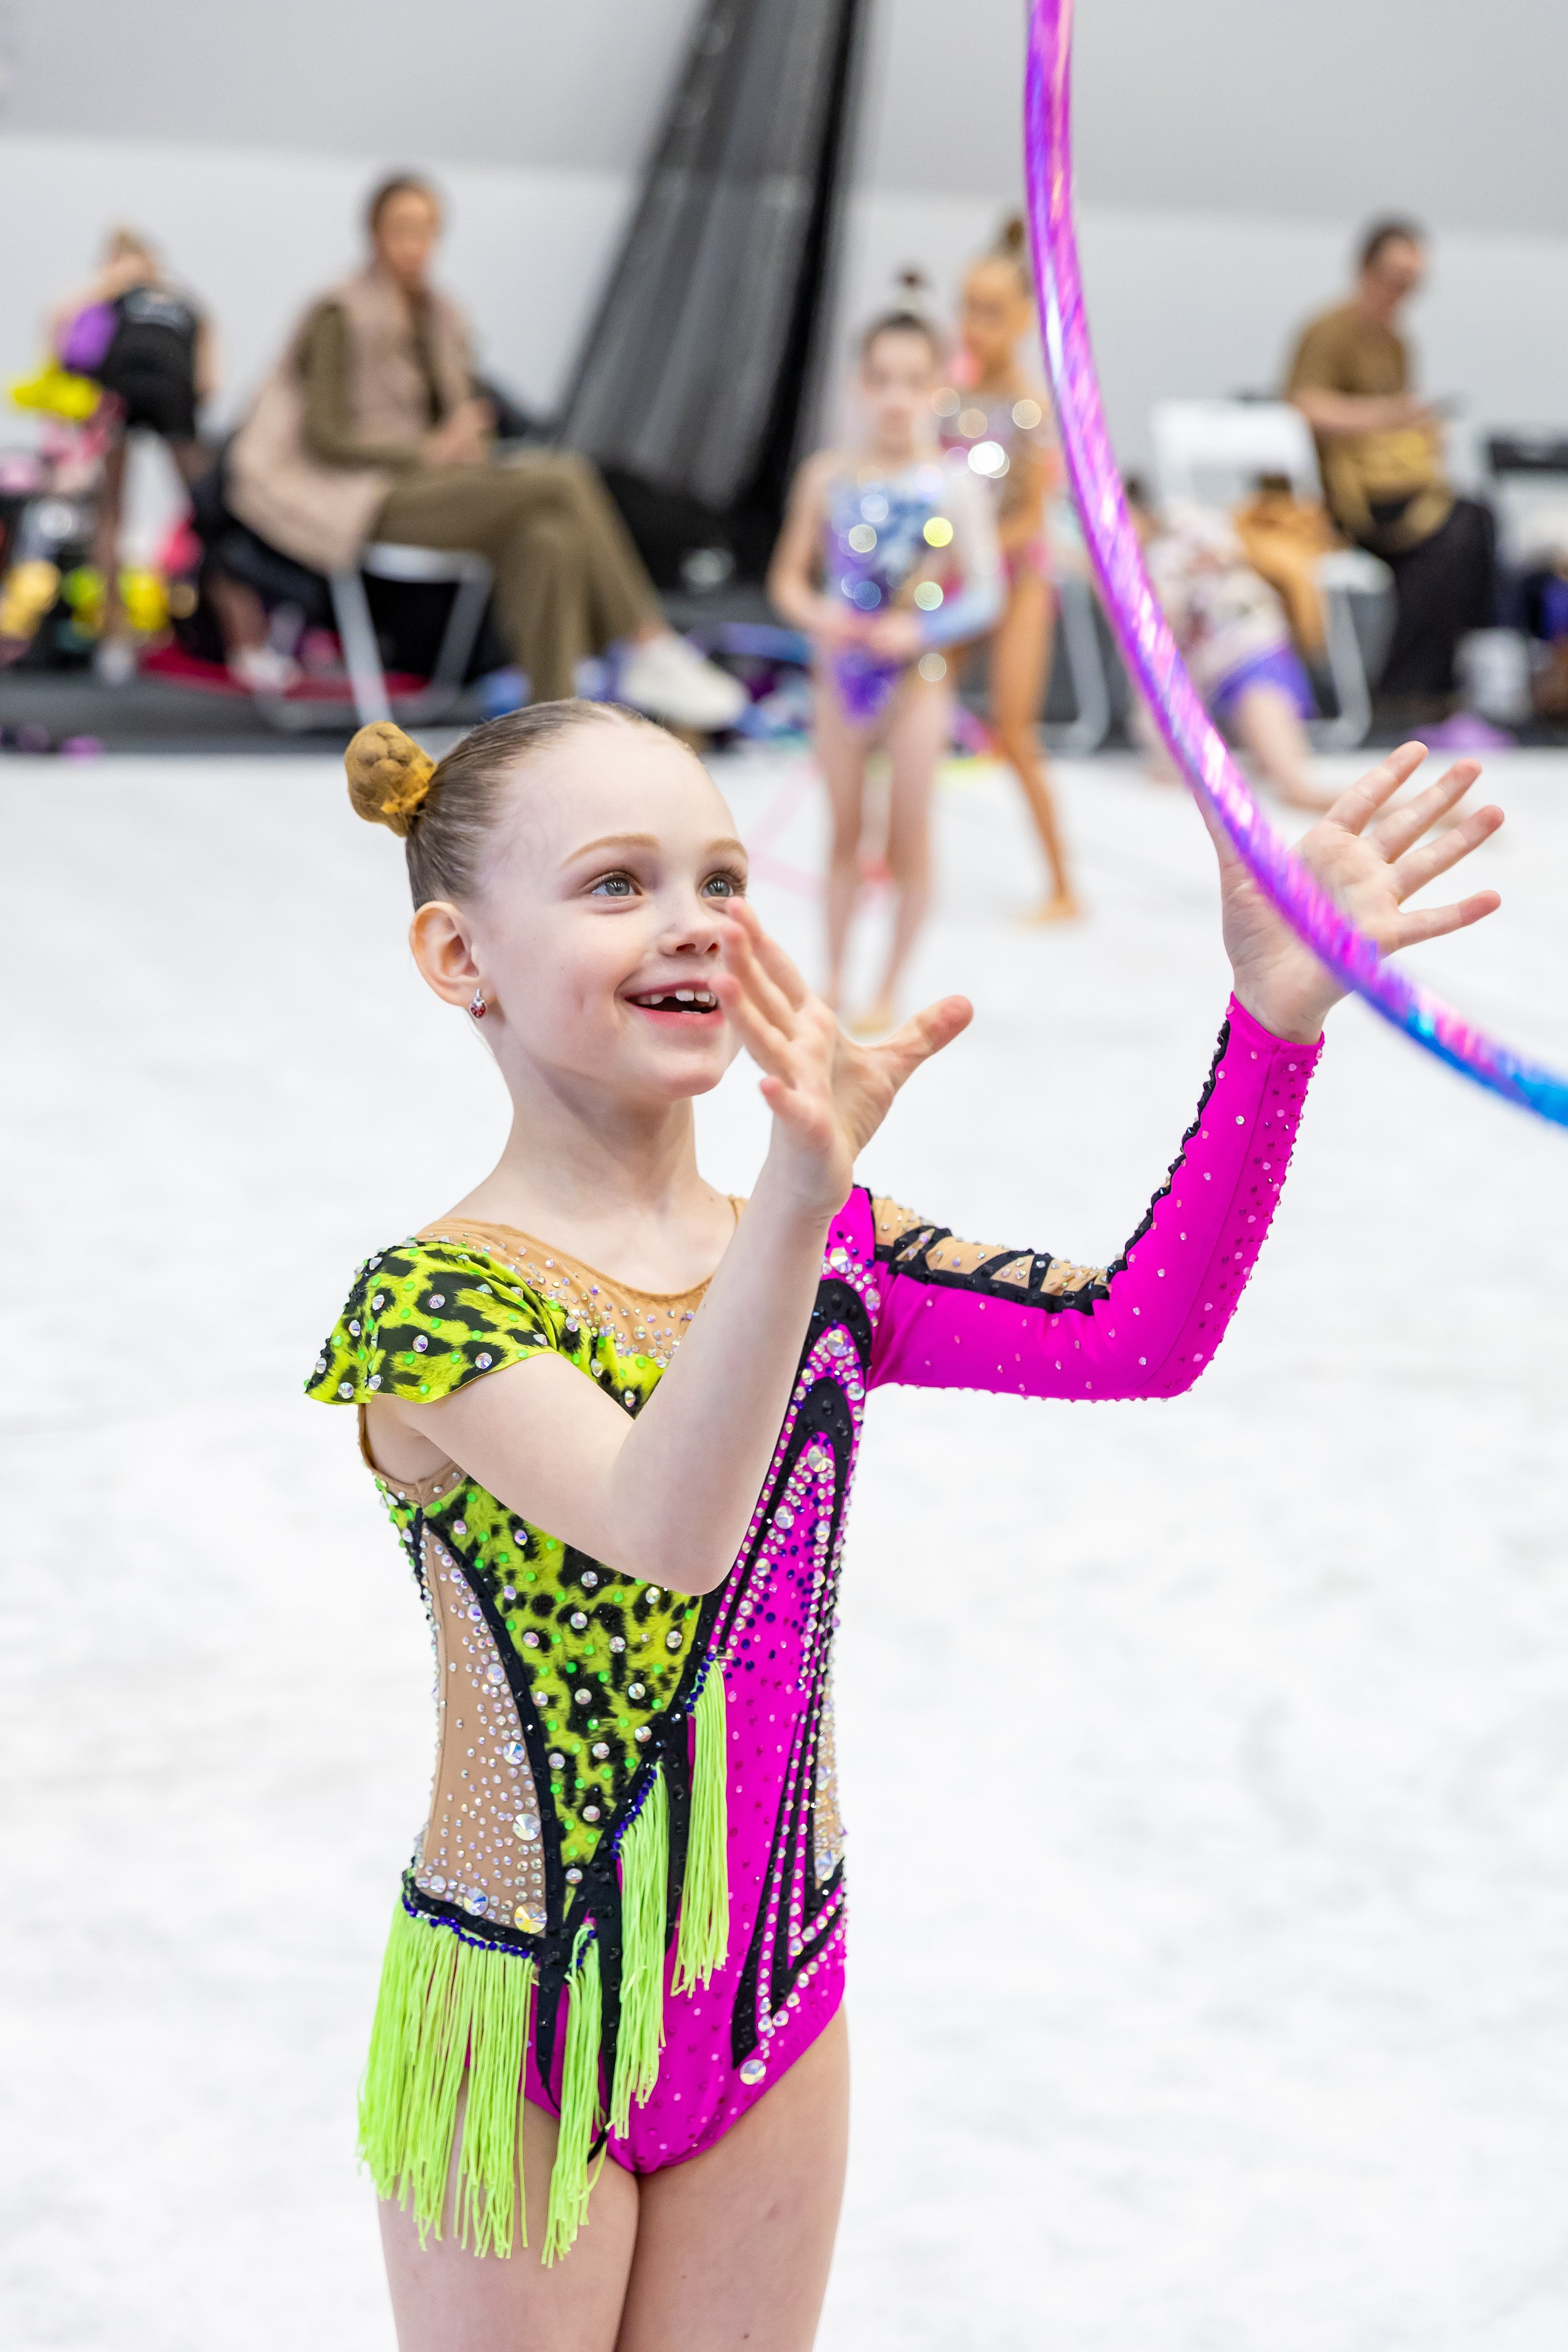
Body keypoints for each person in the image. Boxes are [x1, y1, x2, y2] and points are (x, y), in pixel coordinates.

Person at [309, 695, 1501, 2347]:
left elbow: (1140, 1338)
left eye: (720, 877)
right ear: (460, 958)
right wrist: (795, 1208)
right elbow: (668, 1527)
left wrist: (1270, 1026)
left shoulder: (826, 1242)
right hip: (525, 2006)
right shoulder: (433, 1308)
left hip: (772, 1991)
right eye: (614, 883)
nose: (692, 924)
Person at [227, 174, 744, 728]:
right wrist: (429, 450)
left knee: (548, 535)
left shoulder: (441, 313)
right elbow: (326, 437)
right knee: (564, 477)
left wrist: (467, 439)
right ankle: (647, 642)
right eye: (401, 229)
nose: (414, 244)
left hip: (441, 486)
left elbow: (454, 421)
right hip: (370, 497)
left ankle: (553, 719)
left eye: (425, 230)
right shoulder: (340, 312)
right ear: (374, 234)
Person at [766, 304, 1002, 1032]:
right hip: (839, 677)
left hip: (916, 681)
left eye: (913, 379)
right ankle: (833, 978)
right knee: (842, 833)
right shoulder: (827, 477)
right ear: (856, 386)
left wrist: (919, 627)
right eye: (881, 379)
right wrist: (821, 618)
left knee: (907, 838)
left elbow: (988, 594)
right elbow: (788, 580)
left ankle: (888, 987)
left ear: (938, 387)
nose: (896, 396)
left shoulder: (954, 486)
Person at [1285, 217, 1496, 718]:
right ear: (1365, 269)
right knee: (1454, 533)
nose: (1401, 292)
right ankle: (1407, 692)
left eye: (1412, 282)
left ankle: (1438, 684)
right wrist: (1387, 417)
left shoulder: (1397, 340)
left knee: (1475, 523)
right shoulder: (1330, 329)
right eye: (1393, 277)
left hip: (1393, 488)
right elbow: (1303, 405)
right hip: (1341, 499)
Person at [937, 222, 1079, 921]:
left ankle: (1061, 884)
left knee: (1013, 729)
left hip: (1018, 581)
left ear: (1025, 319)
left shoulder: (1028, 410)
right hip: (962, 577)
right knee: (911, 707)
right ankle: (882, 859)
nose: (973, 327)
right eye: (965, 308)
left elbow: (1033, 510)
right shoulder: (947, 401)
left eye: (991, 313)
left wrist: (983, 554)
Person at [48, 226, 215, 684]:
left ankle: (226, 635)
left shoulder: (163, 301)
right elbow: (206, 379)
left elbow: (59, 327)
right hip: (135, 401)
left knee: (205, 513)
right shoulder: (167, 304)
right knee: (119, 516)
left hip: (137, 398)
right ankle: (116, 636)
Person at [1130, 487, 1335, 811]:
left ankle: (1426, 813)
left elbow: (1225, 557)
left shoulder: (1185, 526)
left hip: (1254, 658)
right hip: (1210, 675)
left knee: (1294, 787)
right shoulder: (1135, 567)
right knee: (1280, 780)